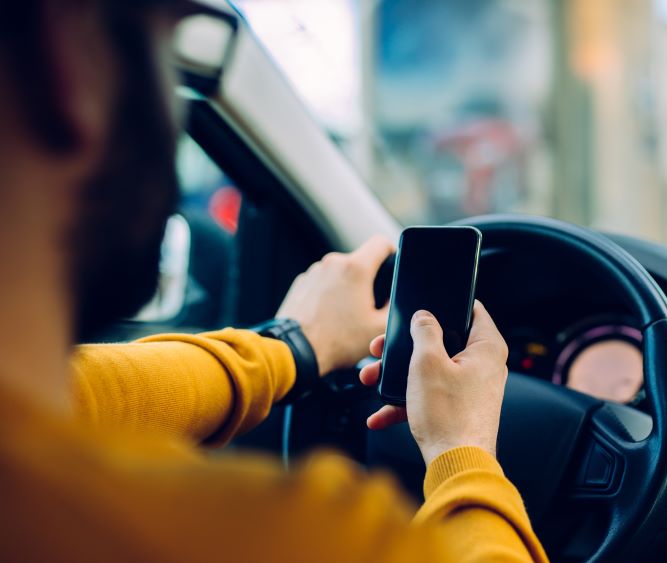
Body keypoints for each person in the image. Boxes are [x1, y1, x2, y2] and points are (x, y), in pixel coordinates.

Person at [0, 0, 548, 562]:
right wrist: (463, 449)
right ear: (70, 50)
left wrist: (294, 343)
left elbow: (87, 393)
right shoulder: (298, 537)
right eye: (167, 47)